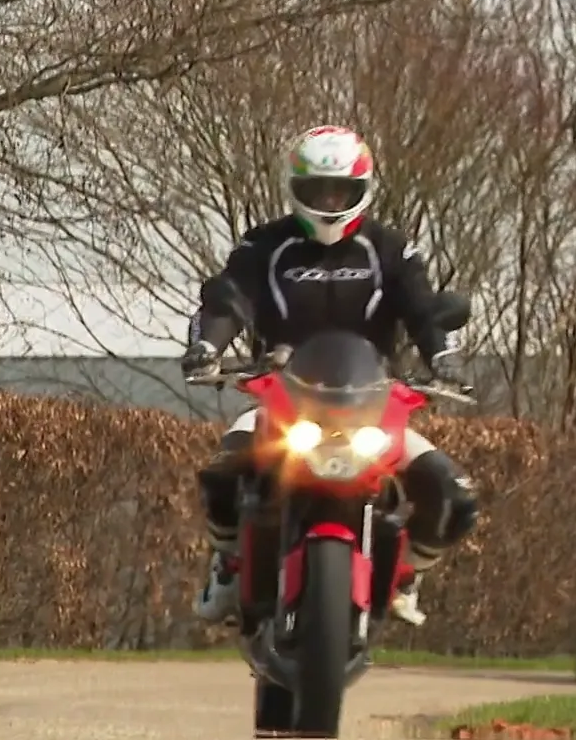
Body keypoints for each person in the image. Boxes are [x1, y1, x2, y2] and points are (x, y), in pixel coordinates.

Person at [178, 124, 478, 628]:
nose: (330, 200)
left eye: (341, 189)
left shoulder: (390, 249)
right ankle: (228, 566)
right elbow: (230, 297)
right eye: (318, 190)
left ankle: (405, 574)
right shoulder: (263, 246)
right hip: (282, 399)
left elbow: (425, 308)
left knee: (453, 494)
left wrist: (444, 355)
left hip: (374, 404)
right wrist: (208, 344)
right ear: (295, 189)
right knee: (223, 473)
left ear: (364, 189)